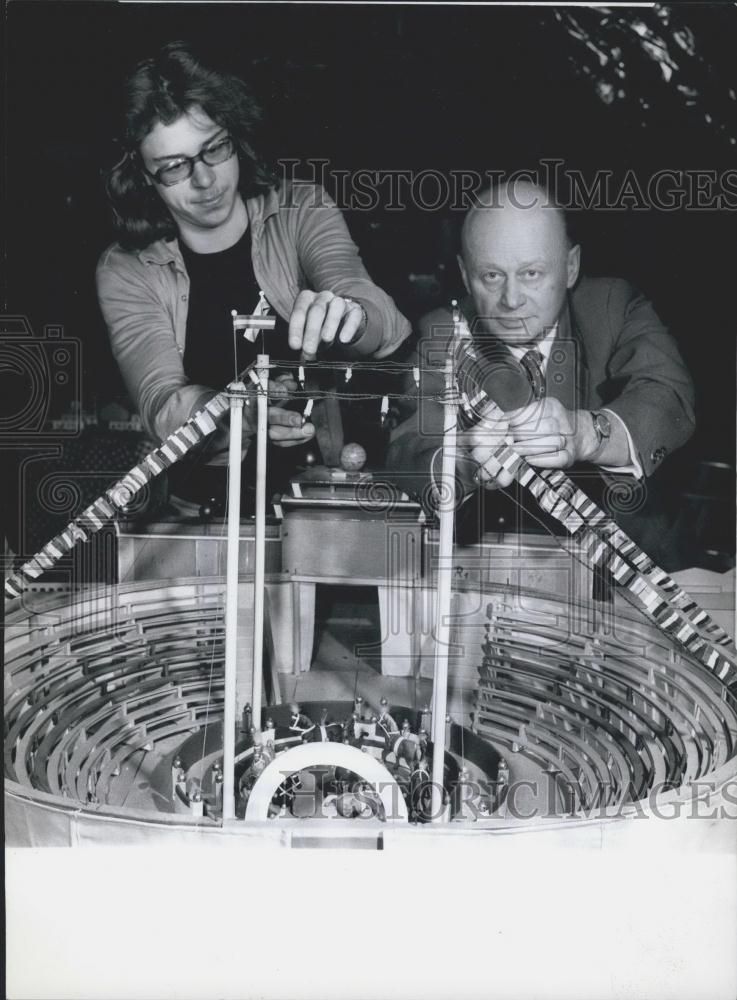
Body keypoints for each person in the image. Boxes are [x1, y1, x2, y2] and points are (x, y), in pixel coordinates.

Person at [97, 42, 410, 514]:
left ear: (236, 137)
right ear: (142, 176)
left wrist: (352, 313)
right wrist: (242, 414)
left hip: (320, 501)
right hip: (198, 508)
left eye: (214, 149)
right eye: (174, 167)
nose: (204, 181)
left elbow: (377, 314)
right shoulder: (124, 269)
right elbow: (161, 403)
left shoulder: (302, 208)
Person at [387, 180, 696, 566]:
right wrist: (463, 459)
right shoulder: (441, 336)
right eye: (492, 276)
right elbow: (406, 457)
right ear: (465, 276)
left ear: (570, 267)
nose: (512, 300)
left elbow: (668, 395)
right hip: (494, 580)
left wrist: (587, 434)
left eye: (531, 274)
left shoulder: (615, 307)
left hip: (632, 581)